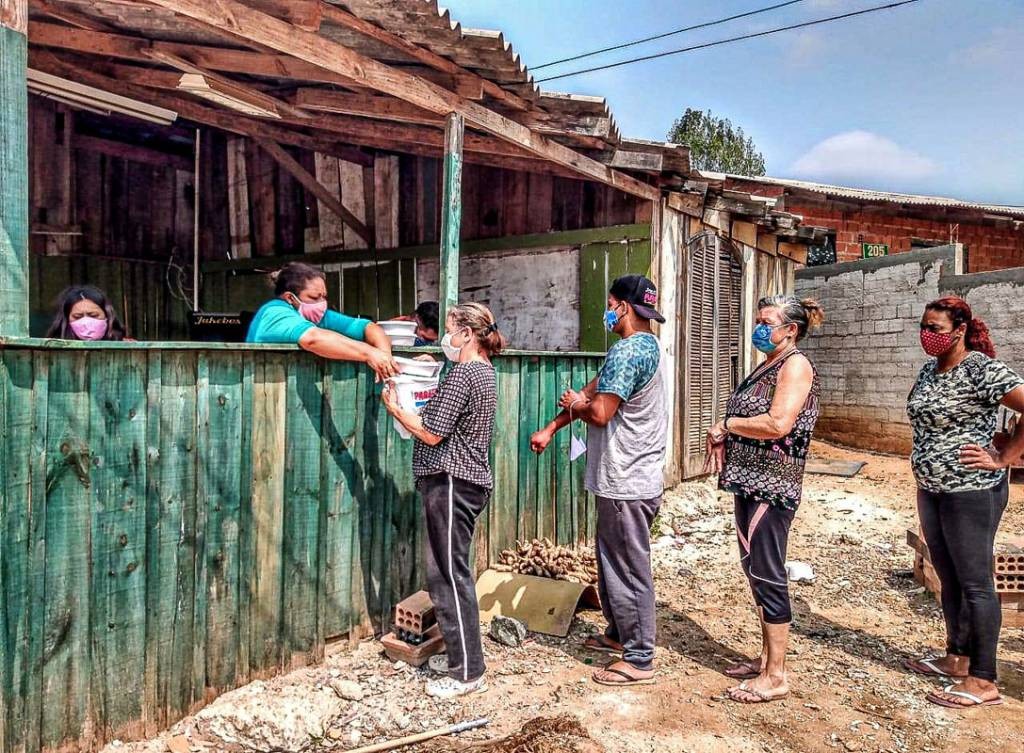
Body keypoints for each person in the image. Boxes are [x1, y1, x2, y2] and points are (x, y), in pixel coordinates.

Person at [530, 274, 668, 687]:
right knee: (611, 561)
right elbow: (596, 389)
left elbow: (601, 410)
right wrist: (554, 426)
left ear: (623, 307)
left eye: (610, 304)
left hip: (627, 479)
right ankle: (617, 633)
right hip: (624, 477)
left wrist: (577, 404)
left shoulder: (628, 353)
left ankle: (640, 657)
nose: (607, 311)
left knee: (628, 567)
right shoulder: (640, 348)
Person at [903, 296, 1024, 709]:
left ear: (959, 330)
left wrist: (1005, 457)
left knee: (976, 583)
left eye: (934, 328)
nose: (926, 335)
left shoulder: (981, 369)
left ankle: (984, 679)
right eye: (923, 326)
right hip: (933, 488)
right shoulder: (929, 371)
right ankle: (957, 658)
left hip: (972, 490)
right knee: (949, 575)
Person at [381, 302, 504, 699]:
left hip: (451, 481)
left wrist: (396, 409)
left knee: (448, 576)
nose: (446, 338)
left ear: (467, 334)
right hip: (466, 481)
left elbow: (432, 432)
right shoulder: (484, 371)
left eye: (451, 330)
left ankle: (467, 671)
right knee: (452, 572)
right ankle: (460, 655)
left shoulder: (464, 373)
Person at [705, 295, 824, 704]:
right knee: (755, 569)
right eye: (757, 320)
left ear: (790, 329)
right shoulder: (769, 364)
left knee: (769, 572)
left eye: (766, 321)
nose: (759, 327)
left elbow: (778, 423)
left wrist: (726, 425)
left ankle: (776, 675)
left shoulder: (795, 365)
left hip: (773, 486)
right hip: (750, 482)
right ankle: (764, 659)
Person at [246, 262, 398, 381]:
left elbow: (368, 327)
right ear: (290, 298)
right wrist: (370, 353)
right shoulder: (274, 312)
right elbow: (312, 339)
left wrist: (385, 357)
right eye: (314, 297)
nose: (321, 303)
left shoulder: (315, 314)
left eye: (323, 297)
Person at [47, 285, 128, 341]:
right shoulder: (53, 351)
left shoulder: (128, 348)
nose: (86, 322)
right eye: (78, 317)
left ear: (107, 316)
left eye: (93, 315)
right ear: (67, 320)